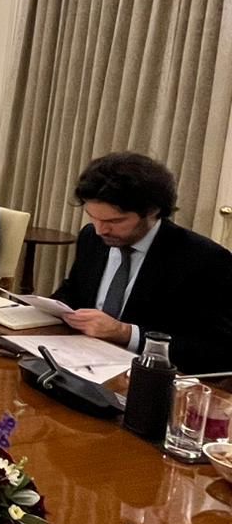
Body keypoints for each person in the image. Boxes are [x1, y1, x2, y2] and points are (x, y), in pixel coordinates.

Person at [52, 152, 232, 374]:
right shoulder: (91, 238)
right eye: (92, 217)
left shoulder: (203, 259)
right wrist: (46, 309)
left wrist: (126, 333)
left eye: (115, 221)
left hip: (147, 376)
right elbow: (73, 292)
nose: (101, 230)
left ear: (153, 211)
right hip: (78, 359)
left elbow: (216, 350)